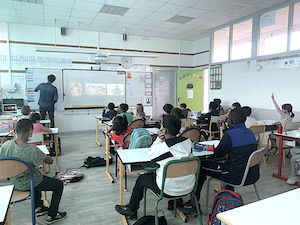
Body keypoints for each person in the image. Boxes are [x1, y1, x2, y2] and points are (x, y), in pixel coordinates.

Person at [115, 115, 194, 220]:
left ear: (164, 131)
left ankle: (132, 208)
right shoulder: (188, 142)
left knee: (142, 179)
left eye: (161, 126)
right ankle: (176, 202)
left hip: (168, 190)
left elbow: (151, 155)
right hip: (188, 187)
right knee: (176, 171)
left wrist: (158, 140)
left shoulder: (164, 148)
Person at [182, 108, 258, 213]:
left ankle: (194, 202)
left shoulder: (230, 136)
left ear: (230, 121)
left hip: (236, 176)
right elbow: (235, 143)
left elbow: (217, 154)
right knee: (227, 161)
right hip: (252, 174)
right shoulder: (249, 132)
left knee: (200, 165)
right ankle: (228, 191)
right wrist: (225, 130)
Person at [0, 119, 67, 224]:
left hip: (14, 183)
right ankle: (52, 215)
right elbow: (50, 161)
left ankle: (38, 207)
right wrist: (45, 154)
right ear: (30, 132)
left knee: (36, 176)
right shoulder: (32, 149)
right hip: (30, 183)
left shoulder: (6, 145)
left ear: (15, 131)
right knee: (58, 184)